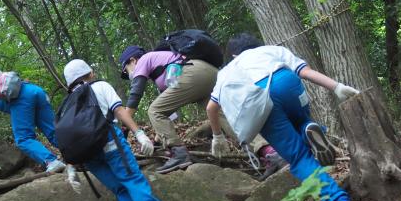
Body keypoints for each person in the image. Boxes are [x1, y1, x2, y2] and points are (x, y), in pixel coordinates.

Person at [207, 34, 359, 201]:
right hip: (287, 82)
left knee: (298, 157)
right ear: (257, 45)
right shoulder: (272, 50)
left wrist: (217, 136)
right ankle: (308, 128)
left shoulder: (226, 71)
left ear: (232, 55)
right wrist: (337, 87)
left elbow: (211, 107)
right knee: (302, 120)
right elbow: (304, 72)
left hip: (260, 99)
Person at [118, 44, 283, 176]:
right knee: (224, 118)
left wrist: (126, 123)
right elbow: (169, 113)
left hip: (192, 72)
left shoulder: (145, 59)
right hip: (208, 73)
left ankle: (179, 154)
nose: (129, 74)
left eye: (126, 70)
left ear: (132, 60)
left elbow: (136, 93)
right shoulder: (162, 68)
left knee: (153, 110)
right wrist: (157, 138)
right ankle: (269, 151)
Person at [61, 59, 173, 201]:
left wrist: (71, 168)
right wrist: (139, 133)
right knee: (133, 180)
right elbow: (119, 111)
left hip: (89, 157)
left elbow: (68, 137)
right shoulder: (101, 86)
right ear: (90, 73)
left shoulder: (68, 104)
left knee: (120, 188)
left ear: (69, 82)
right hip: (110, 144)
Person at [0, 67, 65, 173]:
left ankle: (51, 161)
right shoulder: (11, 80)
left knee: (23, 139)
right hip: (37, 91)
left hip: (23, 100)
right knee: (53, 131)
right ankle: (78, 155)